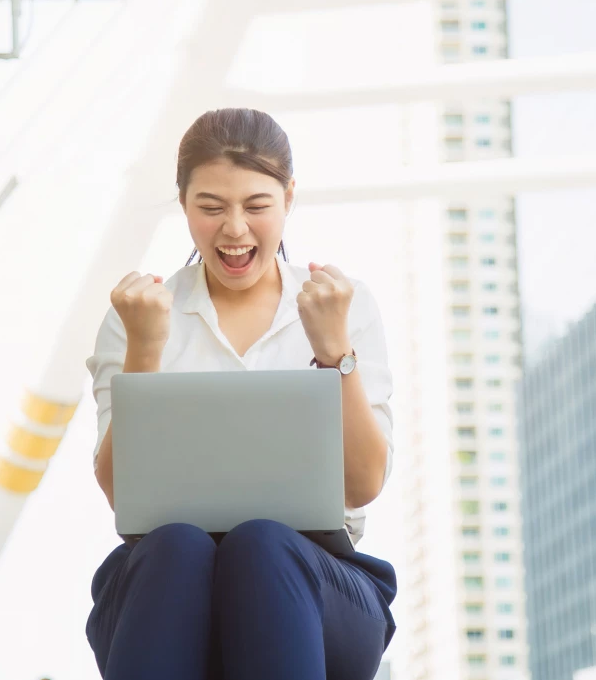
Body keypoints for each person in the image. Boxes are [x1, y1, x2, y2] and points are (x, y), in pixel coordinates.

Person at [83, 108, 397, 680]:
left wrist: (334, 353)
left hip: (320, 587)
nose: (234, 229)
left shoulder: (341, 304)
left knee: (261, 545)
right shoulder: (139, 315)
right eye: (211, 208)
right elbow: (119, 495)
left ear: (288, 198)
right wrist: (145, 352)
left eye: (256, 206)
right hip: (164, 586)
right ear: (183, 206)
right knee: (178, 546)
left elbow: (365, 484)